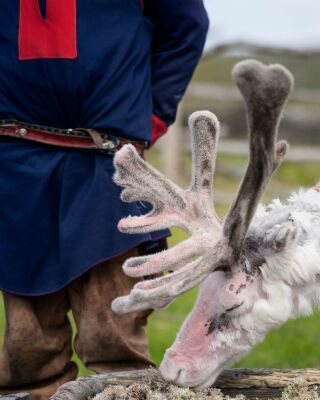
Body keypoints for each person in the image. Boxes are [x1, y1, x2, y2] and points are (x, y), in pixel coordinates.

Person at [0, 1, 208, 398]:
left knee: (113, 334)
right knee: (28, 347)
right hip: (16, 165)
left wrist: (151, 115)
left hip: (108, 163)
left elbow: (187, 26)